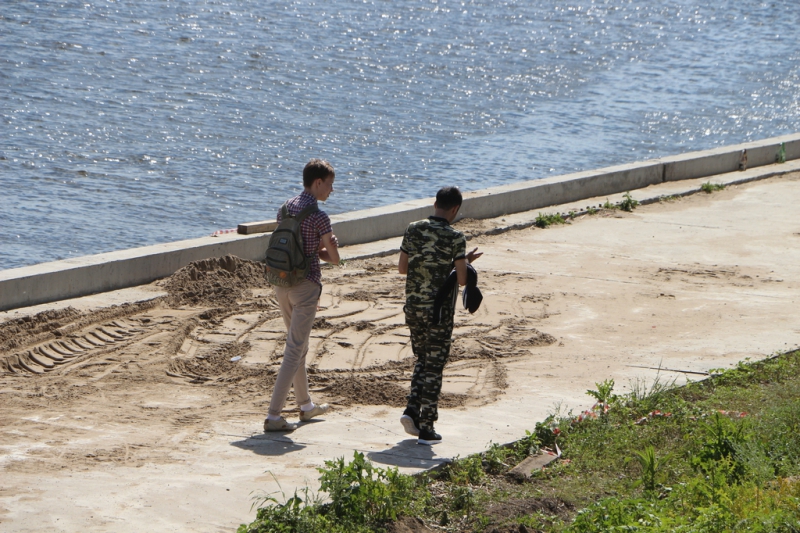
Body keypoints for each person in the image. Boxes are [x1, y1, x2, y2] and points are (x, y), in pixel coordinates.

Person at [398, 186, 482, 445]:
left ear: (435, 203)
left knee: (423, 358)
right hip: (439, 312)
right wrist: (465, 262)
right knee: (435, 365)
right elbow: (461, 278)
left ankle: (412, 410)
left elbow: (403, 268)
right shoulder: (455, 236)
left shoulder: (413, 228)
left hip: (413, 307)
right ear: (455, 209)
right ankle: (427, 427)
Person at [264, 159, 340, 432]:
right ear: (317, 182)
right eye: (330, 184)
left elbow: (292, 248)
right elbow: (334, 260)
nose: (331, 190)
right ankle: (273, 416)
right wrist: (331, 248)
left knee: (299, 347)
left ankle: (306, 405)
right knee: (294, 350)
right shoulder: (319, 216)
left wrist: (316, 251)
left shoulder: (284, 208)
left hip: (281, 284)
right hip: (306, 287)